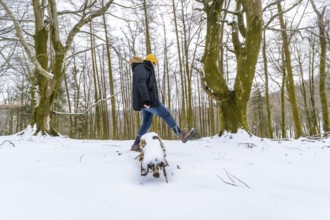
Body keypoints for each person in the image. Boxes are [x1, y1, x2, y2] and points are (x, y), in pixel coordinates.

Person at [129, 54, 195, 152]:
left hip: (146, 101)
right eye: (154, 64)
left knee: (146, 123)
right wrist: (146, 100)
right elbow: (140, 83)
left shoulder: (143, 68)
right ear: (151, 61)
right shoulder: (142, 67)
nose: (154, 66)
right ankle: (181, 135)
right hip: (148, 101)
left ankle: (136, 145)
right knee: (166, 114)